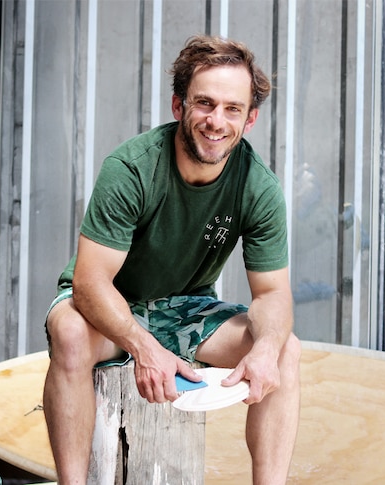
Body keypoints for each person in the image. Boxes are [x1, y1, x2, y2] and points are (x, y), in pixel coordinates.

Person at [42, 35, 301, 485]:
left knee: (284, 348)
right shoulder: (131, 168)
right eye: (205, 103)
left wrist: (263, 349)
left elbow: (272, 293)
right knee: (68, 331)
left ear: (250, 118)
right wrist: (145, 347)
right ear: (179, 106)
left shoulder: (258, 187)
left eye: (232, 109)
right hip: (112, 306)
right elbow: (89, 282)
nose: (216, 121)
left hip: (186, 308)